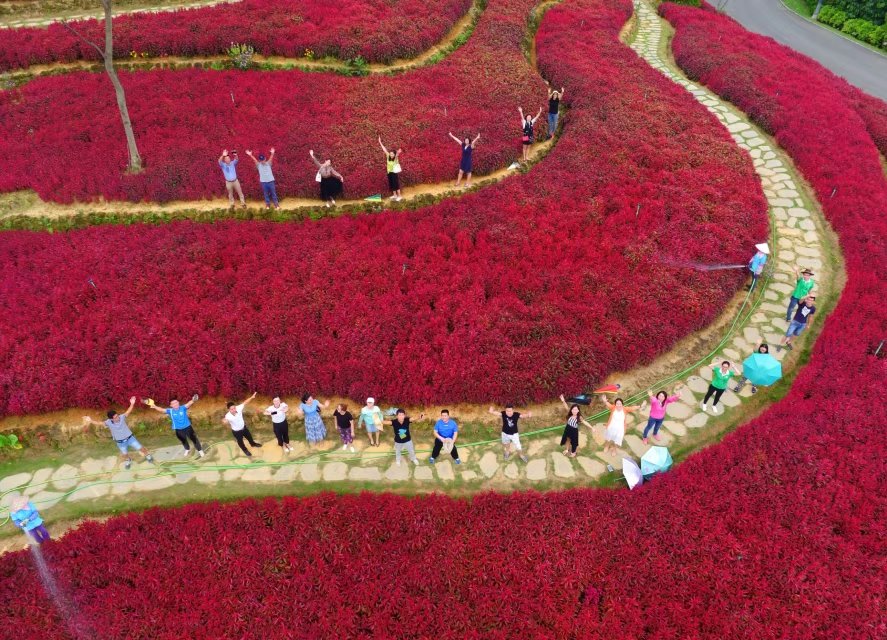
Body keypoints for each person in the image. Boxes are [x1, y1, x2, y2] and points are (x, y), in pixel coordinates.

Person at [83, 396, 154, 470]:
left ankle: (147, 455)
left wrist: (132, 403)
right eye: (115, 417)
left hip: (130, 438)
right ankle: (128, 460)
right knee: (125, 454)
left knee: (141, 448)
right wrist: (90, 421)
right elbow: (99, 423)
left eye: (117, 416)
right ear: (111, 419)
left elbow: (128, 411)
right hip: (120, 442)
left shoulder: (122, 417)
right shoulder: (108, 422)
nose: (117, 417)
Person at [223, 392, 262, 457]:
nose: (234, 410)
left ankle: (253, 444)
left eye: (234, 408)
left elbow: (245, 402)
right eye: (232, 409)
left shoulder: (238, 408)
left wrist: (252, 397)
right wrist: (224, 421)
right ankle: (245, 450)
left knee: (249, 437)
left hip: (244, 428)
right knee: (240, 442)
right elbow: (225, 420)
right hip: (236, 432)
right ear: (229, 410)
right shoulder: (228, 416)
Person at [378, 136, 403, 201]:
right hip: (389, 173)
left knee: (396, 184)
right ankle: (394, 195)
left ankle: (399, 196)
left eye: (392, 154)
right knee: (392, 184)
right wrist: (380, 142)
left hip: (394, 173)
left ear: (394, 155)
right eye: (391, 154)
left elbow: (397, 155)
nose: (391, 155)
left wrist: (398, 152)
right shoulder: (388, 156)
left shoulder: (395, 159)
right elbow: (384, 149)